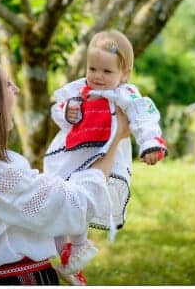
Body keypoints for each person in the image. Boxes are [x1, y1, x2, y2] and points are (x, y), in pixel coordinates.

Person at [0, 49, 131, 285]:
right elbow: (76, 206)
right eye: (7, 84)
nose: (16, 89)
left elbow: (46, 205)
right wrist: (114, 138)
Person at [43, 30, 167, 285]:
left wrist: (150, 143)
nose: (98, 77)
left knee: (83, 199)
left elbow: (144, 117)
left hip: (102, 155)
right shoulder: (79, 89)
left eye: (107, 72)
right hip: (71, 154)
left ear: (125, 74)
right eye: (93, 69)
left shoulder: (126, 94)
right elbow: (57, 106)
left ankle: (77, 247)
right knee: (56, 203)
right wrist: (68, 111)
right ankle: (63, 257)